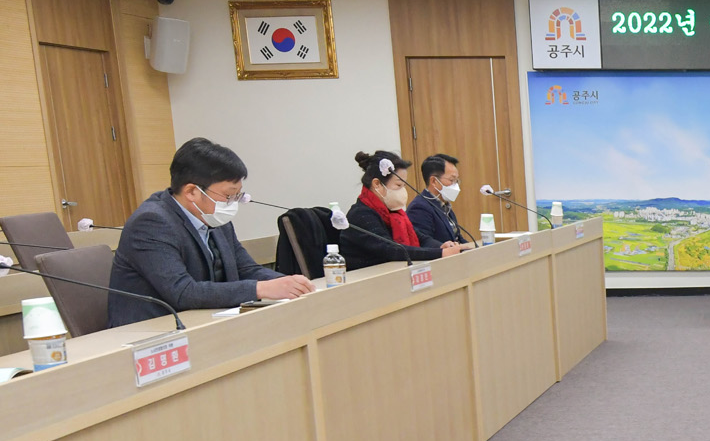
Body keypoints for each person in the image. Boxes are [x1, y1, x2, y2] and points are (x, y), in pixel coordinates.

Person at [108, 137, 314, 325]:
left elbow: (246, 268)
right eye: (228, 196)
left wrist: (289, 283)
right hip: (153, 333)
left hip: (205, 321)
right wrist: (261, 288)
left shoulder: (214, 217)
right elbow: (183, 291)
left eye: (237, 195)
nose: (232, 203)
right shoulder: (151, 223)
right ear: (192, 192)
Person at [343, 150, 472, 269]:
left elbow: (421, 238)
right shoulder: (361, 214)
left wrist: (441, 246)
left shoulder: (394, 213)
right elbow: (392, 250)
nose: (403, 191)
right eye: (398, 185)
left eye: (404, 185)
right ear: (377, 184)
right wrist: (440, 253)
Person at [408, 153, 470, 247]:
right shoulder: (419, 208)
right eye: (452, 180)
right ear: (434, 181)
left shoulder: (444, 205)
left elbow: (457, 238)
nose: (456, 185)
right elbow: (424, 243)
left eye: (457, 180)